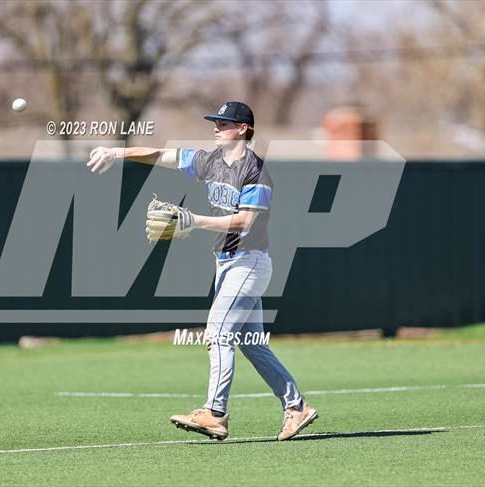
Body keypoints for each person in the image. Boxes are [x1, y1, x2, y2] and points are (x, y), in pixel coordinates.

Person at [86, 101, 317, 441]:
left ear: (243, 129)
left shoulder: (255, 171)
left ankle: (215, 413)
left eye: (224, 123)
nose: (216, 128)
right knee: (252, 343)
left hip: (248, 263)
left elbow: (245, 221)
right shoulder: (209, 161)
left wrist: (193, 220)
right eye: (216, 122)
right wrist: (116, 152)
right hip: (228, 264)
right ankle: (296, 407)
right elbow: (160, 154)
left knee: (217, 333)